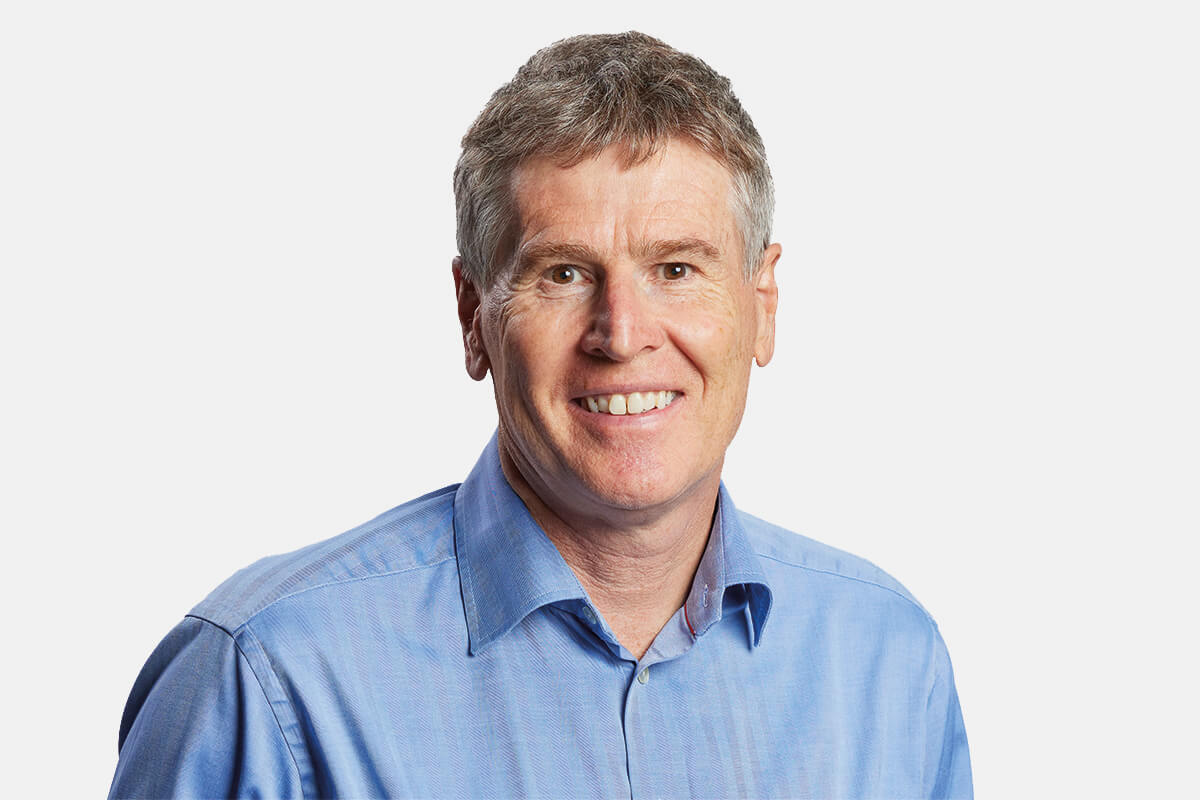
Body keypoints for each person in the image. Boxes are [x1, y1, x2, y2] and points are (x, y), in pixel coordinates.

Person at [108, 31, 972, 799]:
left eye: (676, 269)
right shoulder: (266, 678)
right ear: (472, 316)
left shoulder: (890, 665)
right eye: (563, 274)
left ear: (763, 304)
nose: (622, 335)